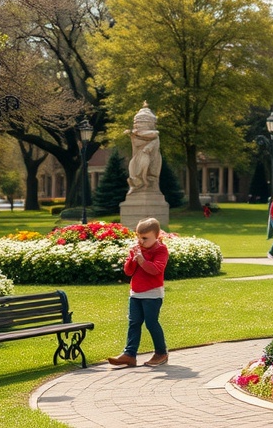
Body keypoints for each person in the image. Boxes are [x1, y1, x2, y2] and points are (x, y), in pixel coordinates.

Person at [108, 217, 169, 368]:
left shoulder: (161, 250)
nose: (141, 241)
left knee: (151, 323)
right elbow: (128, 272)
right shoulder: (136, 250)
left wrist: (141, 260)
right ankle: (129, 354)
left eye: (145, 238)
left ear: (157, 236)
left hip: (152, 294)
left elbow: (155, 270)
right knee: (133, 323)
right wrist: (133, 260)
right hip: (135, 293)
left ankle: (161, 352)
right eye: (138, 237)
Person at [125, 102, 162, 194]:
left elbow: (153, 134)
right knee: (132, 164)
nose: (140, 125)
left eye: (142, 123)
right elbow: (136, 143)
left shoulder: (154, 135)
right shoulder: (134, 135)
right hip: (138, 158)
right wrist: (134, 134)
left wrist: (136, 133)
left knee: (144, 160)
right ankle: (135, 183)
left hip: (150, 159)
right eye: (139, 123)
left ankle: (142, 181)